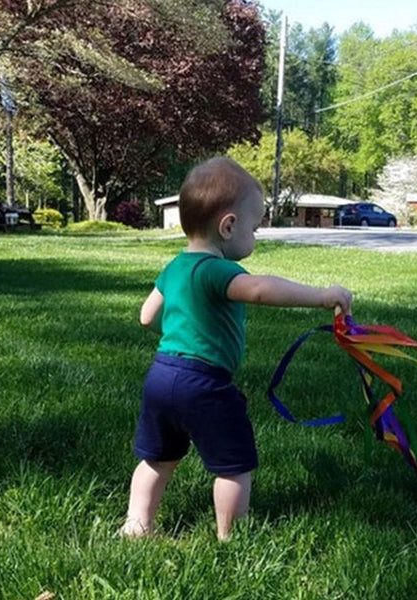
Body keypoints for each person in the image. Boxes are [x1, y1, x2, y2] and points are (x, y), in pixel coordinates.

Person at [120, 157, 352, 540]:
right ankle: (231, 537)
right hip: (205, 383)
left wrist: (183, 324)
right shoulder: (219, 270)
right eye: (255, 228)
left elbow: (147, 317)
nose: (255, 237)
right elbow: (260, 289)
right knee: (233, 466)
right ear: (228, 226)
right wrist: (323, 296)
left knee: (158, 458)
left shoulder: (174, 267)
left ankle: (137, 525)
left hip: (162, 375)